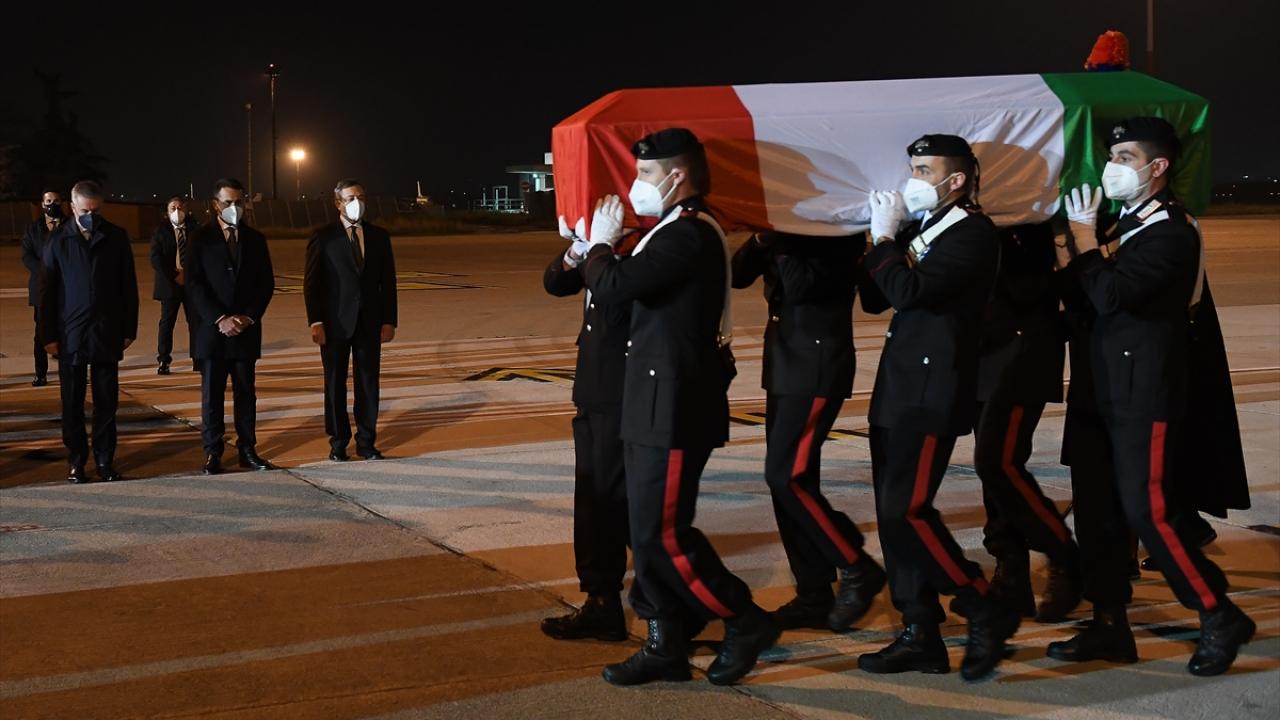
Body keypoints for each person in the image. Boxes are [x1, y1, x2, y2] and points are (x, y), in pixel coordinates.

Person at [1050, 117, 1254, 677]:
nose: (1112, 168)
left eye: (1125, 158)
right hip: (1100, 390)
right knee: (1097, 512)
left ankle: (1218, 612)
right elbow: (1082, 295)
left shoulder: (1172, 232)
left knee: (1148, 512)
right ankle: (1108, 622)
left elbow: (1113, 296)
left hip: (1142, 394)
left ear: (1158, 167)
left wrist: (1086, 244)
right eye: (1112, 156)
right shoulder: (1125, 225)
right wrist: (1070, 248)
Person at [581, 128, 778, 687]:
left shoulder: (687, 234)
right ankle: (664, 642)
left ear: (677, 176)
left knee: (662, 534)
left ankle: (743, 617)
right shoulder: (667, 230)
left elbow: (613, 285)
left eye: (644, 174)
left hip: (672, 407)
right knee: (645, 531)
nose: (635, 184)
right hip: (649, 403)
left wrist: (599, 245)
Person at [856, 134, 1018, 681]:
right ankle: (919, 630)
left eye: (924, 170)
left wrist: (885, 241)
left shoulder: (972, 234)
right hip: (897, 389)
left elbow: (909, 292)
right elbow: (876, 298)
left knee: (909, 510)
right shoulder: (922, 228)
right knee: (892, 516)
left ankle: (980, 602)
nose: (913, 179)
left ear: (956, 180)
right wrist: (877, 238)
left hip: (932, 392)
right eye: (912, 168)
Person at [730, 230, 886, 632]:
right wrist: (761, 238)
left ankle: (855, 563)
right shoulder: (787, 231)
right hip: (785, 363)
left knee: (787, 477)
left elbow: (800, 287)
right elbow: (737, 275)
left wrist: (783, 237)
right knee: (790, 486)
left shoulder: (835, 232)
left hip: (816, 364)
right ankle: (813, 591)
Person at [971, 221, 1081, 622]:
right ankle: (1011, 572)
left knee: (998, 463)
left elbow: (1032, 289)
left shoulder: (1027, 225)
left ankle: (1063, 553)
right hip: (981, 354)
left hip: (1018, 356)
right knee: (994, 472)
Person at [38, 180, 138, 483]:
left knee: (107, 402)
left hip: (106, 331)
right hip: (70, 334)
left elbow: (128, 286)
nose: (91, 216)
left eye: (96, 211)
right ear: (72, 207)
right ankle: (76, 460)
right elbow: (47, 293)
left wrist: (128, 329)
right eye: (85, 211)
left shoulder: (115, 237)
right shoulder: (58, 240)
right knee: (72, 402)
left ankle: (105, 459)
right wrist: (48, 336)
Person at [185, 178, 275, 475]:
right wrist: (219, 318)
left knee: (246, 394)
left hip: (245, 330)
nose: (234, 207)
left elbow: (265, 284)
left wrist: (248, 317)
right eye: (227, 202)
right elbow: (194, 284)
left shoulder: (255, 239)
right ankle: (213, 452)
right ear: (215, 204)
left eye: (238, 202)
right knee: (212, 395)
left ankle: (247, 448)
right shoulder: (200, 239)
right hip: (212, 331)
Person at [304, 179, 397, 461]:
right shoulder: (323, 237)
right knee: (334, 383)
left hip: (370, 322)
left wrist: (389, 320)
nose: (357, 202)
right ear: (338, 203)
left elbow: (388, 282)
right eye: (350, 198)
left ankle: (366, 441)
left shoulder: (379, 236)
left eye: (361, 197)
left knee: (368, 383)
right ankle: (338, 441)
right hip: (334, 324)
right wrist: (315, 321)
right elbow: (312, 284)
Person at [149, 196, 200, 374]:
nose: (177, 212)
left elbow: (201, 255)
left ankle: (198, 358)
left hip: (191, 283)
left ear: (186, 209)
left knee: (195, 322)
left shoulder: (195, 229)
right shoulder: (160, 231)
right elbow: (155, 258)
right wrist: (174, 275)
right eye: (173, 208)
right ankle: (164, 360)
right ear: (167, 212)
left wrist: (188, 274)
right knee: (167, 323)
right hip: (169, 284)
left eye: (180, 208)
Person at [21, 191, 65, 386]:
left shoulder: (71, 225)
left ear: (62, 203)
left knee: (68, 331)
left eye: (56, 201)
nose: (52, 204)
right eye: (48, 201)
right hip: (41, 288)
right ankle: (41, 373)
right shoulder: (33, 228)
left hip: (66, 288)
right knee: (41, 333)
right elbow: (27, 255)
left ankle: (70, 370)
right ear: (42, 204)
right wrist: (45, 271)